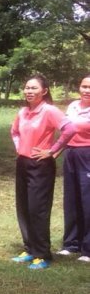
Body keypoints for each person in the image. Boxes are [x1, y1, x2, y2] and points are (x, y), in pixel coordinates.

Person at [10, 73, 75, 271]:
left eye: (34, 88)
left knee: (38, 209)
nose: (29, 91)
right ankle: (30, 248)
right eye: (27, 88)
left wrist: (52, 151)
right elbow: (14, 132)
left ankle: (42, 254)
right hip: (23, 163)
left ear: (44, 91)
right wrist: (20, 148)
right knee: (24, 207)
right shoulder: (23, 112)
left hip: (41, 165)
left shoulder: (49, 111)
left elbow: (70, 129)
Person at [58, 74, 90, 263]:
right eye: (84, 86)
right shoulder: (72, 106)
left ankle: (88, 249)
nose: (87, 90)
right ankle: (71, 244)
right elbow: (65, 131)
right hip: (70, 153)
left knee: (88, 199)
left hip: (87, 154)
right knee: (71, 199)